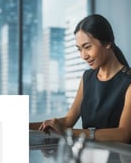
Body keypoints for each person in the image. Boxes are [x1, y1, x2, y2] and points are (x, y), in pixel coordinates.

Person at [29, 14, 131, 143]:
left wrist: (69, 132)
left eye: (87, 47)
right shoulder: (87, 78)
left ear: (107, 43)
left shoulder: (128, 82)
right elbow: (68, 121)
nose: (83, 56)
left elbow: (123, 134)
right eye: (79, 49)